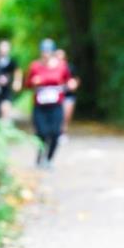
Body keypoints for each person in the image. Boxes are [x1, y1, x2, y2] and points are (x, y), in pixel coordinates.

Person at [24, 39, 71, 168]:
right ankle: (39, 157)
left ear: (53, 52)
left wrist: (69, 85)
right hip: (40, 106)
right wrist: (34, 82)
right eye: (43, 51)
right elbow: (26, 84)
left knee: (56, 133)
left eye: (48, 51)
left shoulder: (61, 65)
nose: (46, 54)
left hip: (56, 105)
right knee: (42, 133)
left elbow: (68, 81)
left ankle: (49, 159)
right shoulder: (35, 66)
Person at [55, 48, 82, 135]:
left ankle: (63, 132)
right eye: (57, 55)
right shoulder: (51, 68)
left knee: (66, 115)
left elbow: (76, 79)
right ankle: (55, 132)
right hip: (55, 97)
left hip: (68, 95)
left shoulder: (70, 67)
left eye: (61, 55)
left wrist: (74, 85)